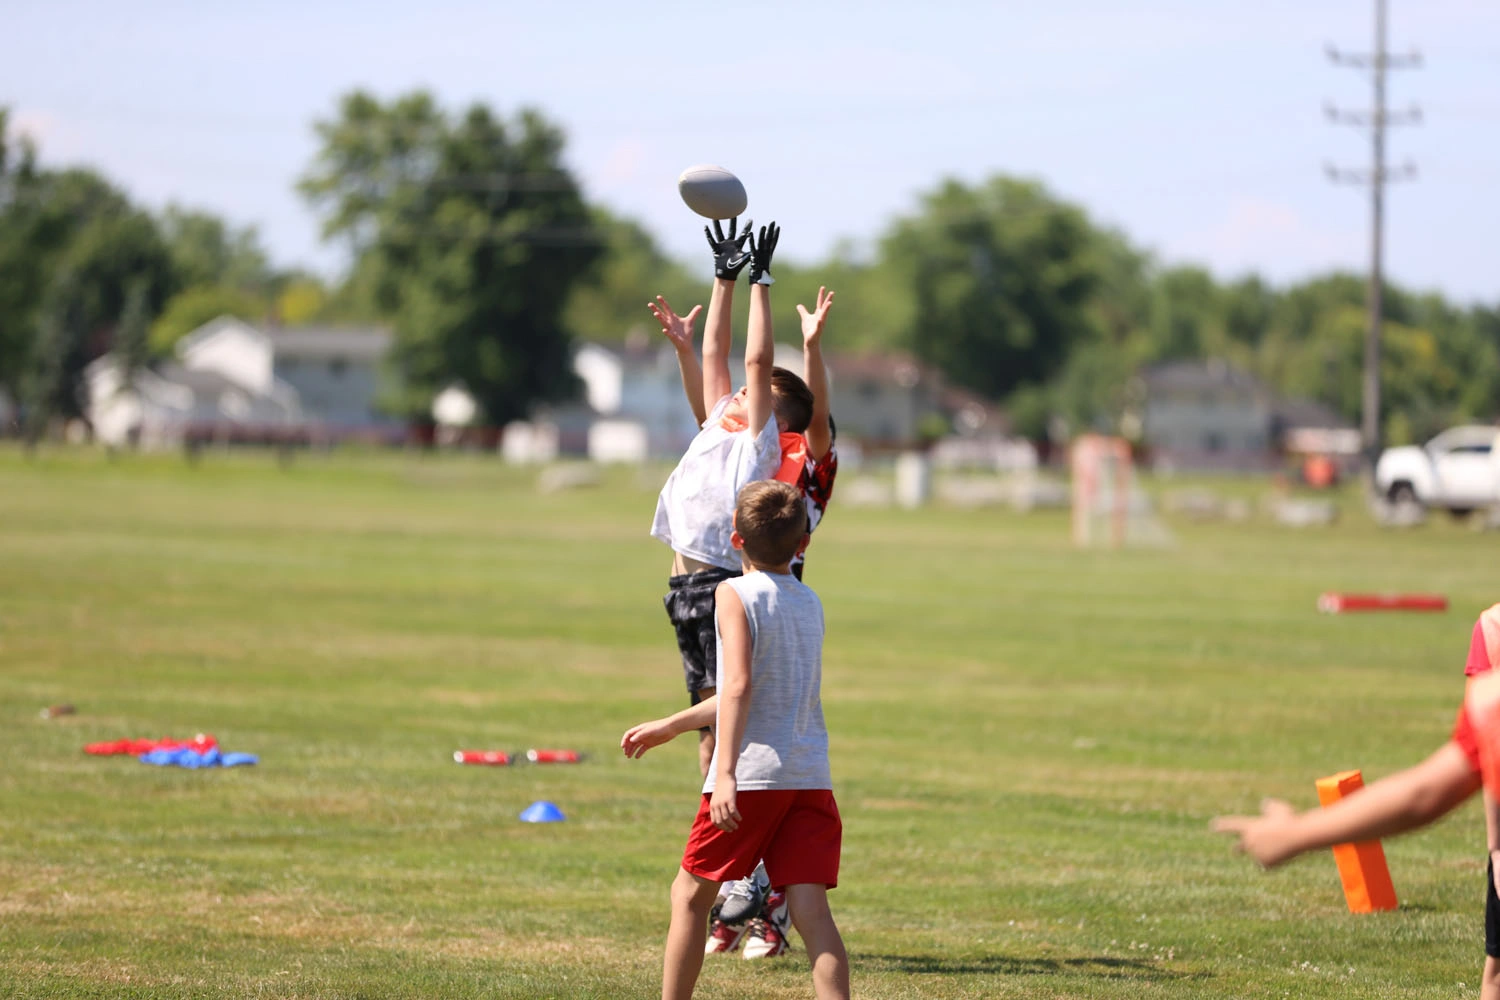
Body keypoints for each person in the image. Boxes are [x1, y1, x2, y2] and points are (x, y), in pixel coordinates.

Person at [622, 479, 850, 1000]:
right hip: (808, 777)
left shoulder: (732, 593)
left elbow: (739, 686)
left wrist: (723, 774)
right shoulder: (809, 601)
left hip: (751, 777)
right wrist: (672, 725)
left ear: (734, 538)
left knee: (689, 897)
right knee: (814, 916)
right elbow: (747, 690)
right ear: (803, 543)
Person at [648, 219, 814, 781]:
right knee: (710, 734)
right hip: (684, 591)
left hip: (718, 585)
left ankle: (741, 858)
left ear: (777, 419)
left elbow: (755, 361)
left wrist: (760, 283)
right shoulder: (720, 421)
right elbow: (716, 350)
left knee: (725, 733)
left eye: (757, 393)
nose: (742, 390)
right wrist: (723, 277)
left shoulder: (758, 446)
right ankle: (731, 858)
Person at [709, 285, 840, 950]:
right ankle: (743, 891)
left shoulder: (805, 466)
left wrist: (812, 348)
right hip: (735, 597)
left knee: (761, 754)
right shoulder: (751, 450)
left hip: (777, 608)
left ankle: (762, 900)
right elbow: (712, 404)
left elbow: (815, 421)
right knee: (721, 745)